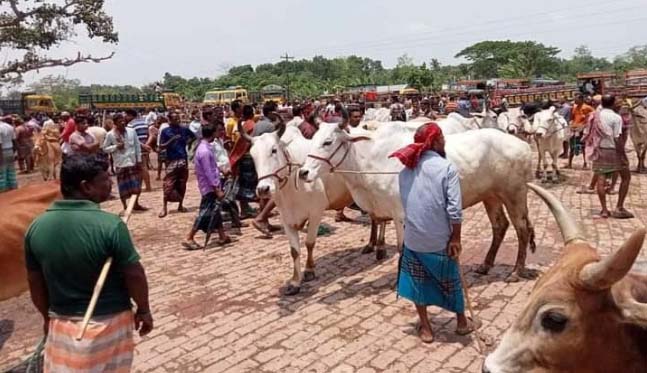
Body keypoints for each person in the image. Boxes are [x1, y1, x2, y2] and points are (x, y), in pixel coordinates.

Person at [25, 154, 153, 372]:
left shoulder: (35, 228)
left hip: (61, 325)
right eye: (104, 179)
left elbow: (35, 283)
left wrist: (47, 317)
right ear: (86, 187)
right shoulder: (111, 225)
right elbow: (135, 275)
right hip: (109, 323)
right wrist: (143, 309)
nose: (110, 183)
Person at [390, 123, 476, 344]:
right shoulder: (446, 168)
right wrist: (455, 238)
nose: (445, 141)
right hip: (440, 240)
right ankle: (462, 323)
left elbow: (408, 203)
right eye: (443, 137)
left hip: (414, 239)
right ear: (435, 141)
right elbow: (454, 209)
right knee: (451, 280)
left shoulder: (404, 171)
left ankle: (426, 328)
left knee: (418, 284)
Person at [183, 126, 232, 250]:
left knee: (215, 211)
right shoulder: (204, 151)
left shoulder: (205, 147)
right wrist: (217, 189)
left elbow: (212, 166)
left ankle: (222, 236)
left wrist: (221, 170)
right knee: (205, 212)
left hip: (211, 184)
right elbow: (208, 171)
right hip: (209, 187)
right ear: (213, 133)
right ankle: (189, 237)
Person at [586, 95, 633, 219]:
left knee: (600, 180)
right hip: (613, 151)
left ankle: (604, 210)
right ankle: (619, 207)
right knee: (626, 177)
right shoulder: (616, 118)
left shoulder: (595, 115)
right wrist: (622, 154)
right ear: (612, 104)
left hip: (599, 150)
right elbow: (617, 137)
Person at [103, 113, 148, 213]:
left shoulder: (131, 131)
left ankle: (136, 204)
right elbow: (105, 148)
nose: (123, 123)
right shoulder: (110, 135)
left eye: (123, 121)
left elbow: (137, 146)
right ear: (115, 123)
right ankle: (125, 206)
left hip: (132, 162)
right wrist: (115, 147)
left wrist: (139, 160)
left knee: (136, 186)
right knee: (123, 187)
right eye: (120, 122)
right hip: (120, 163)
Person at [158, 109, 194, 218]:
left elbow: (193, 137)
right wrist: (171, 140)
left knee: (182, 183)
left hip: (183, 159)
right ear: (169, 120)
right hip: (171, 160)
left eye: (178, 118)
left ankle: (180, 204)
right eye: (175, 119)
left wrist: (189, 143)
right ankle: (164, 207)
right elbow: (161, 146)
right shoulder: (165, 131)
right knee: (168, 184)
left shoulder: (184, 129)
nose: (177, 120)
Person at [229, 105, 258, 219]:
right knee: (251, 184)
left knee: (243, 184)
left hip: (241, 157)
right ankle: (256, 211)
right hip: (249, 158)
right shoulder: (252, 125)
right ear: (252, 113)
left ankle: (245, 209)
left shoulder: (244, 125)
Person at [126, 109, 152, 192]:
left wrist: (143, 146)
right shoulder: (144, 122)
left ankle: (147, 187)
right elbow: (150, 134)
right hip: (145, 147)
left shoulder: (130, 125)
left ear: (130, 115)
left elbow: (133, 139)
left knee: (141, 168)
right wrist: (147, 144)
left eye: (126, 115)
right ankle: (146, 185)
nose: (125, 117)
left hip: (138, 148)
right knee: (144, 167)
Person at [568, 94, 594, 168]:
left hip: (583, 129)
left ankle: (585, 163)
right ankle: (569, 164)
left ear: (581, 100)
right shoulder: (574, 107)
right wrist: (571, 123)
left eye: (576, 99)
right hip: (574, 128)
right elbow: (572, 117)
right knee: (572, 146)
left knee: (583, 146)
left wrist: (585, 125)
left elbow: (593, 116)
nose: (575, 100)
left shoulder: (587, 107)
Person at [0, 118, 17, 192]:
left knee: (2, 173)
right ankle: (13, 189)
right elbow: (14, 141)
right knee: (11, 171)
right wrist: (14, 152)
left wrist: (1, 157)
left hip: (2, 152)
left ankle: (3, 191)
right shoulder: (10, 127)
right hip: (10, 150)